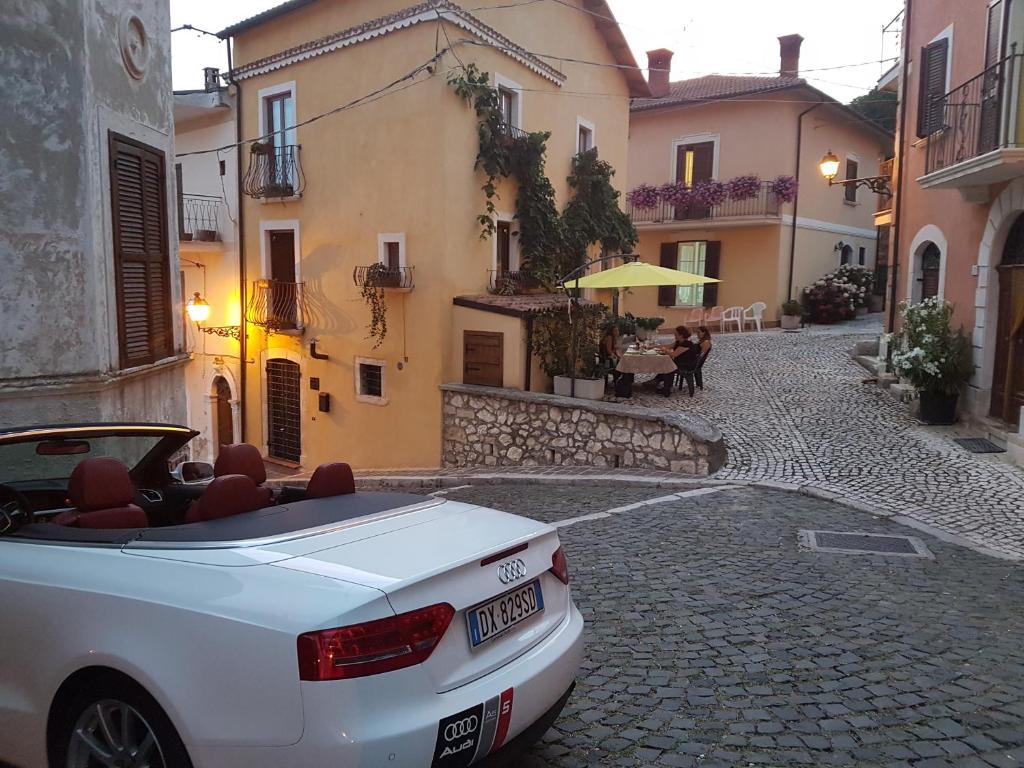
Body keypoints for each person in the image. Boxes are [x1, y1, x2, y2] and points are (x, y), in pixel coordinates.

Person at [655, 326, 699, 396]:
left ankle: (666, 389)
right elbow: (668, 346)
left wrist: (665, 350)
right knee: (666, 364)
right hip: (679, 363)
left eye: (676, 334)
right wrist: (652, 347)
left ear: (681, 335)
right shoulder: (679, 342)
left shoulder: (686, 344)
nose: (674, 335)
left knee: (667, 366)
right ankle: (658, 382)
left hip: (685, 365)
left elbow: (674, 354)